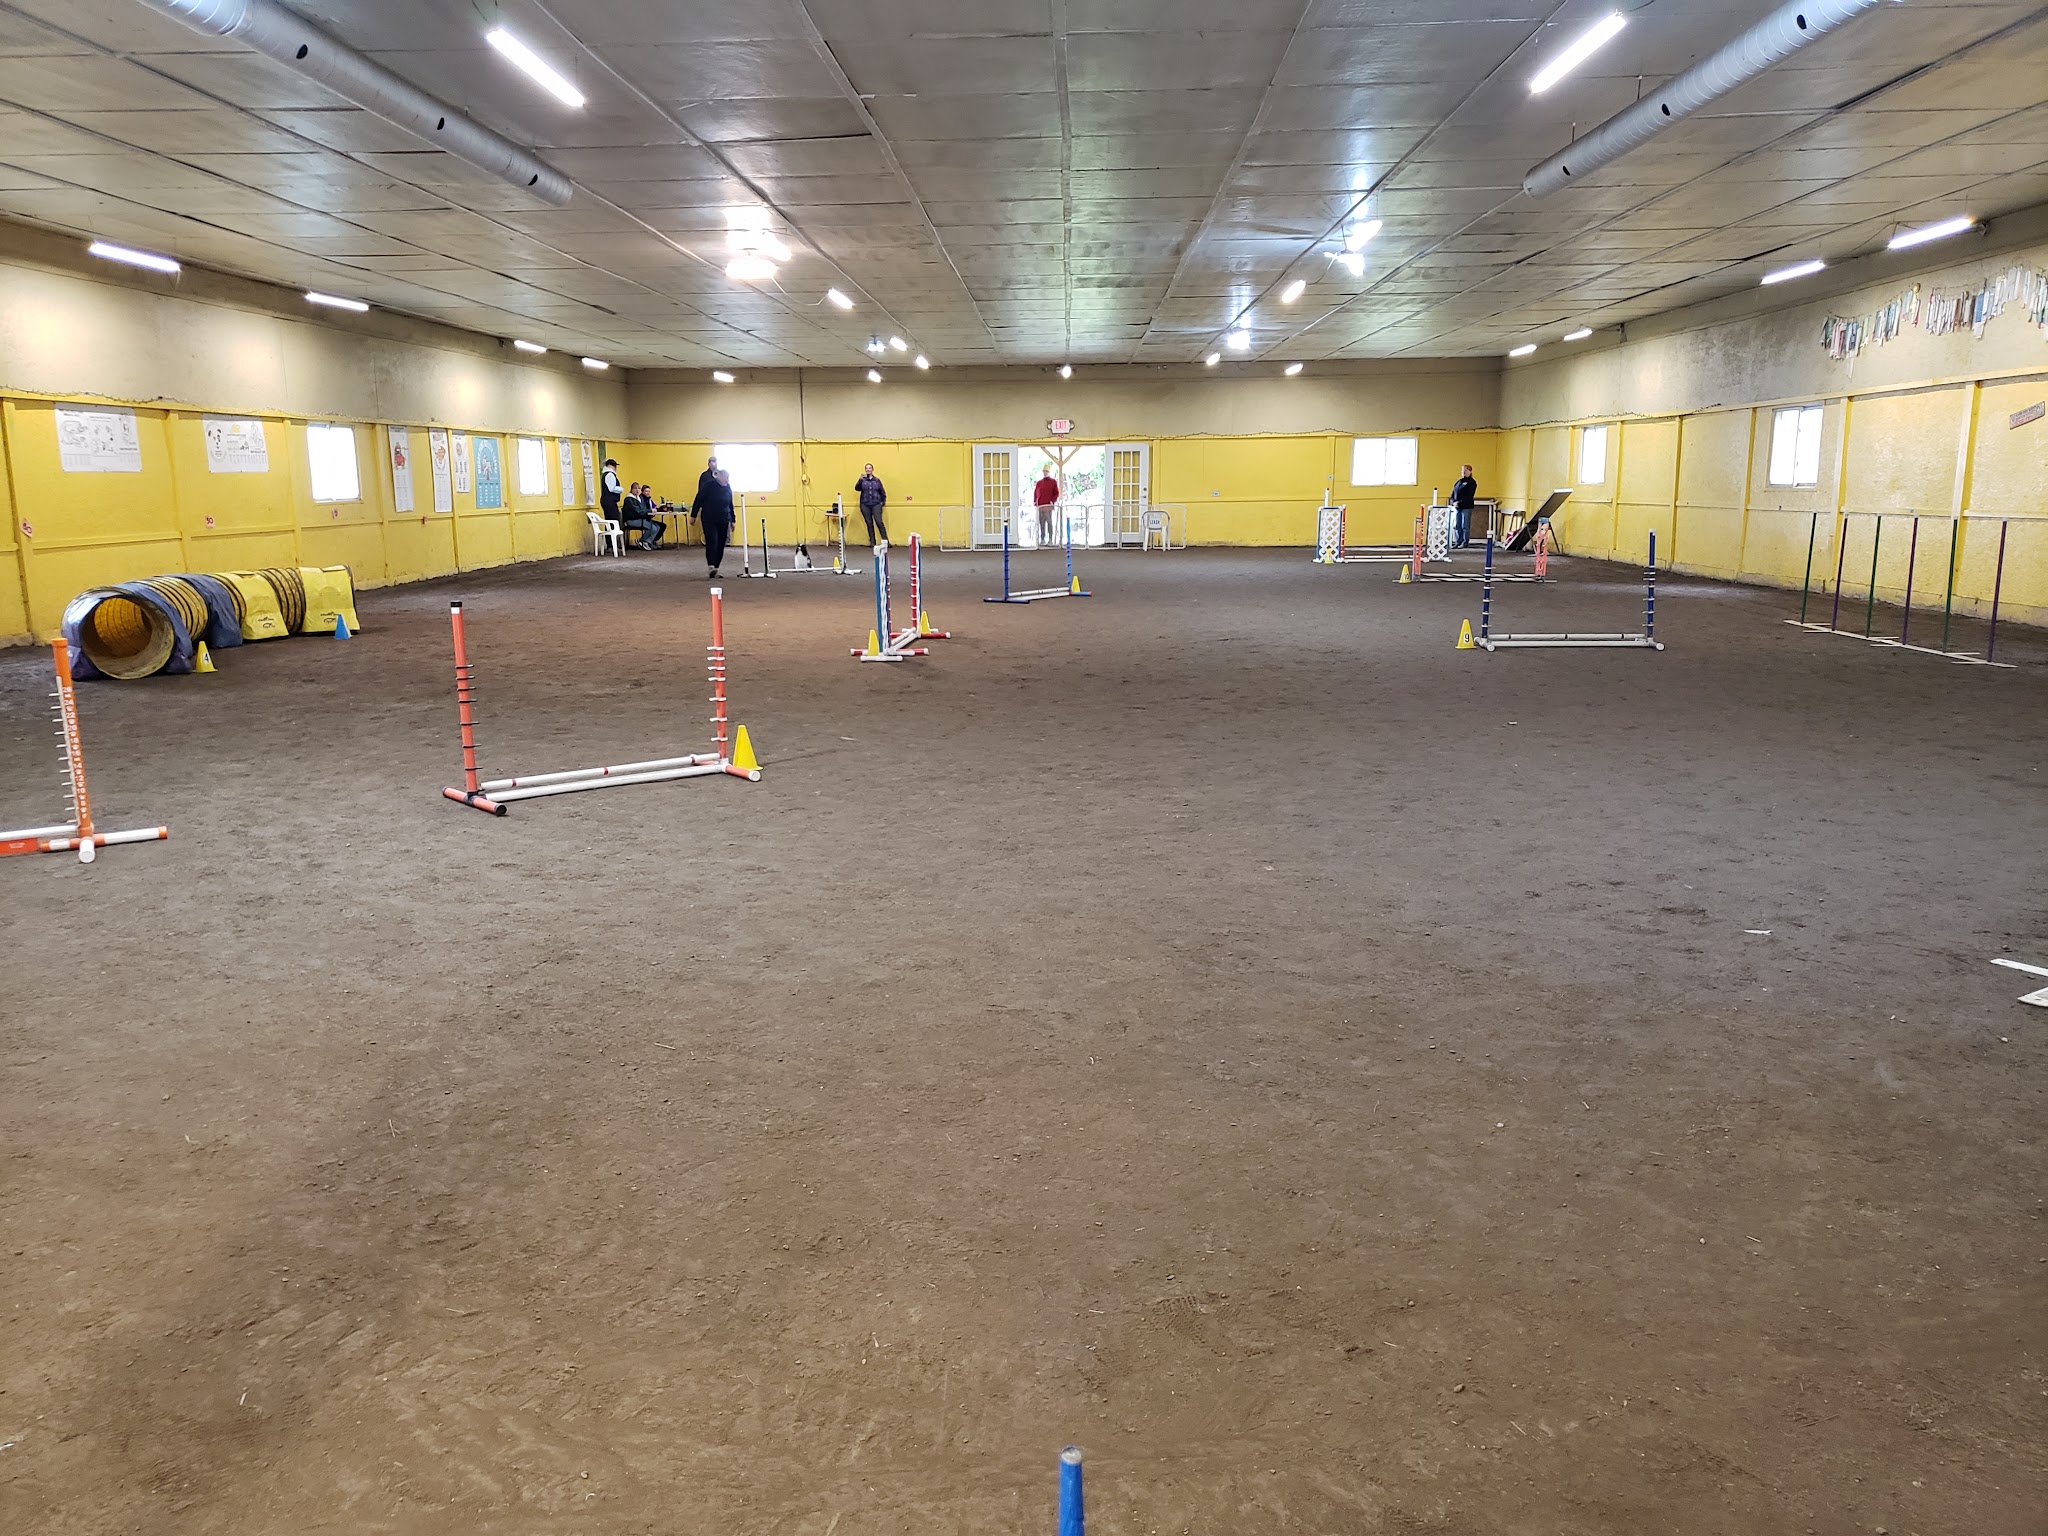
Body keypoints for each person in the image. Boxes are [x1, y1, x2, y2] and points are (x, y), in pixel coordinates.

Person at [693, 466, 735, 577]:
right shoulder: (708, 486)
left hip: (724, 519)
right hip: (709, 519)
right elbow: (698, 499)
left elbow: (730, 504)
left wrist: (733, 520)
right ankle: (711, 565)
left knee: (721, 543)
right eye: (726, 477)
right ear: (719, 477)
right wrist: (693, 515)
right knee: (712, 541)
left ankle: (716, 568)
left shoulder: (728, 487)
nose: (727, 480)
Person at [618, 482, 663, 551]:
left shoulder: (637, 499)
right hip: (632, 520)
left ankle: (644, 541)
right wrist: (649, 511)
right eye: (635, 488)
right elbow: (638, 511)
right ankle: (645, 541)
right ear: (631, 489)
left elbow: (642, 510)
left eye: (638, 488)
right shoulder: (629, 499)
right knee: (653, 528)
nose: (637, 490)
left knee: (658, 527)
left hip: (638, 519)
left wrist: (649, 511)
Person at [854, 463, 888, 546]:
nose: (868, 469)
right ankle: (872, 542)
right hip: (865, 505)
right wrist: (860, 480)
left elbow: (882, 492)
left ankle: (886, 541)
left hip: (876, 504)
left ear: (872, 470)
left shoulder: (877, 480)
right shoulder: (862, 480)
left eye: (870, 468)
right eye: (867, 468)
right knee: (869, 523)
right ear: (865, 470)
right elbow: (857, 488)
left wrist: (882, 503)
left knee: (879, 522)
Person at [1450, 463, 1479, 550]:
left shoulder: (1472, 483)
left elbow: (1469, 495)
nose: (1463, 472)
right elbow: (1453, 493)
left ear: (1470, 471)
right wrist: (1453, 501)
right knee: (1457, 525)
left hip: (1466, 506)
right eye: (1462, 470)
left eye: (1465, 470)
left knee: (1465, 525)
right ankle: (1458, 541)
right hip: (1457, 507)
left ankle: (1465, 542)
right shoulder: (1458, 482)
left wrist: (1459, 502)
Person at [1032, 466, 1060, 545]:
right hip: (1040, 506)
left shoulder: (1053, 482)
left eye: (1046, 471)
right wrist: (1035, 502)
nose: (1045, 473)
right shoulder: (1039, 483)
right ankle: (1042, 538)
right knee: (1041, 523)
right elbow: (1035, 493)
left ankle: (1050, 539)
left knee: (1049, 522)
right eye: (1044, 471)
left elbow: (1056, 493)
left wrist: (1053, 501)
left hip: (1048, 505)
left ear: (1049, 472)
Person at [600, 457, 624, 525]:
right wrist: (621, 489)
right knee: (614, 521)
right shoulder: (610, 474)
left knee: (609, 521)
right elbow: (611, 488)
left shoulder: (605, 474)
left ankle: (609, 535)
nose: (615, 468)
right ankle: (611, 535)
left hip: (607, 501)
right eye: (614, 465)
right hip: (609, 501)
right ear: (610, 465)